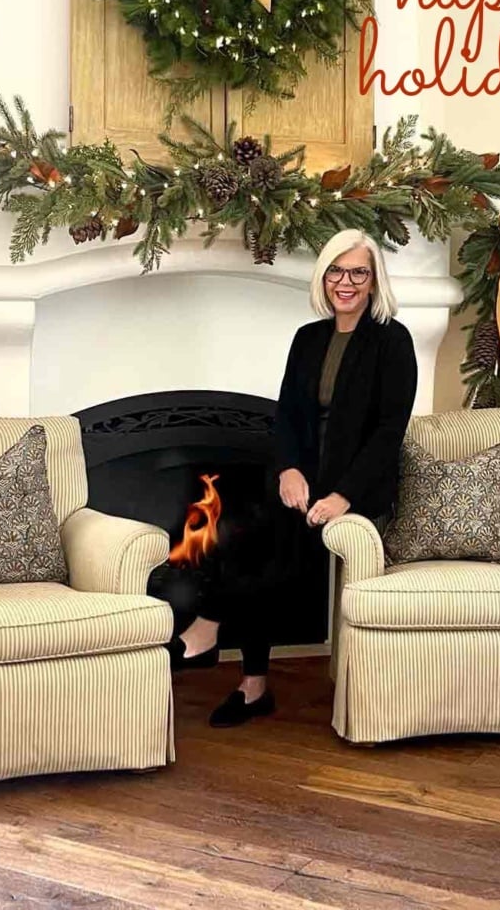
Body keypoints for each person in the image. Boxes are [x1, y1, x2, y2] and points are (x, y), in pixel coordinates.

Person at [167, 228, 418, 728]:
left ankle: (222, 643)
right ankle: (246, 676)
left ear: (374, 280)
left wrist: (344, 495)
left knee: (265, 549)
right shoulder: (309, 338)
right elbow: (287, 416)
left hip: (357, 487)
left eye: (358, 272)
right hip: (304, 475)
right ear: (324, 276)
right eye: (336, 270)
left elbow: (390, 431)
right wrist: (288, 470)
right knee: (237, 526)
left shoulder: (392, 340)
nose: (345, 282)